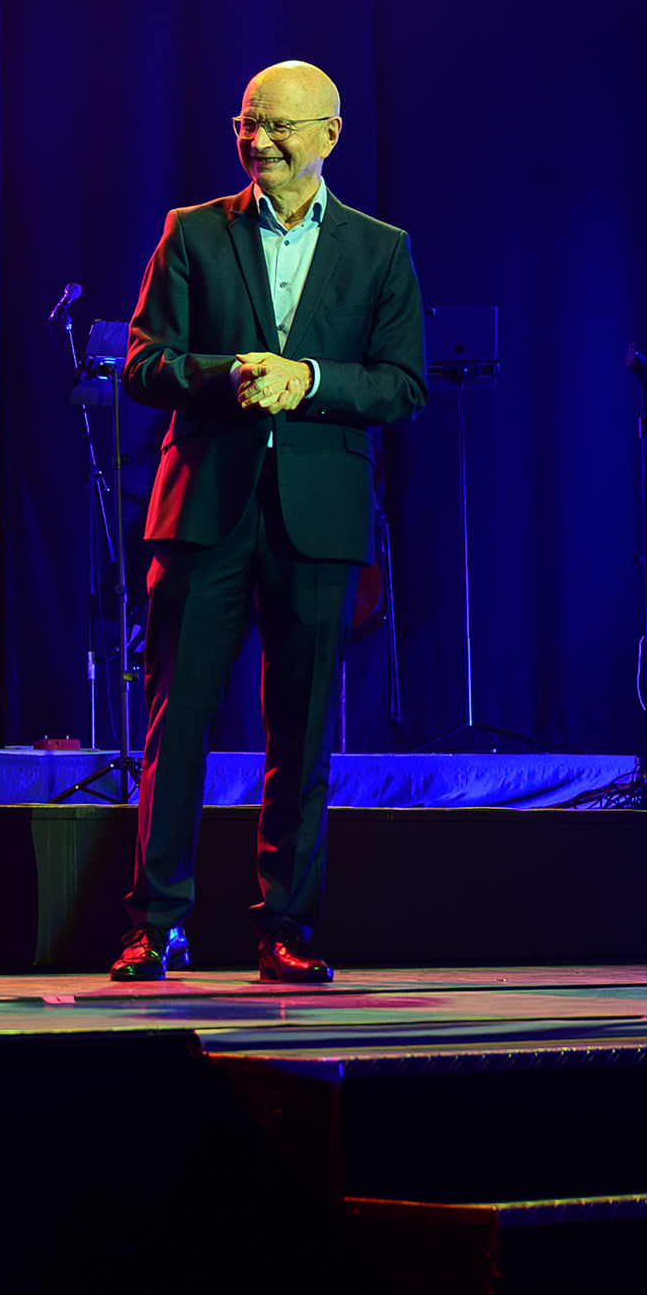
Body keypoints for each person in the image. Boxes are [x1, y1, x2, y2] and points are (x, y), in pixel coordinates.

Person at [112, 59, 426, 985]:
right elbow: (143, 365)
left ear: (330, 134)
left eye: (280, 127)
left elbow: (403, 385)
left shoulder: (380, 249)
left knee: (302, 729)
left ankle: (285, 927)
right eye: (248, 124)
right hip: (203, 511)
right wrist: (232, 375)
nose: (260, 142)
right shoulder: (193, 232)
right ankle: (155, 925)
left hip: (316, 519)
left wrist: (311, 381)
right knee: (178, 724)